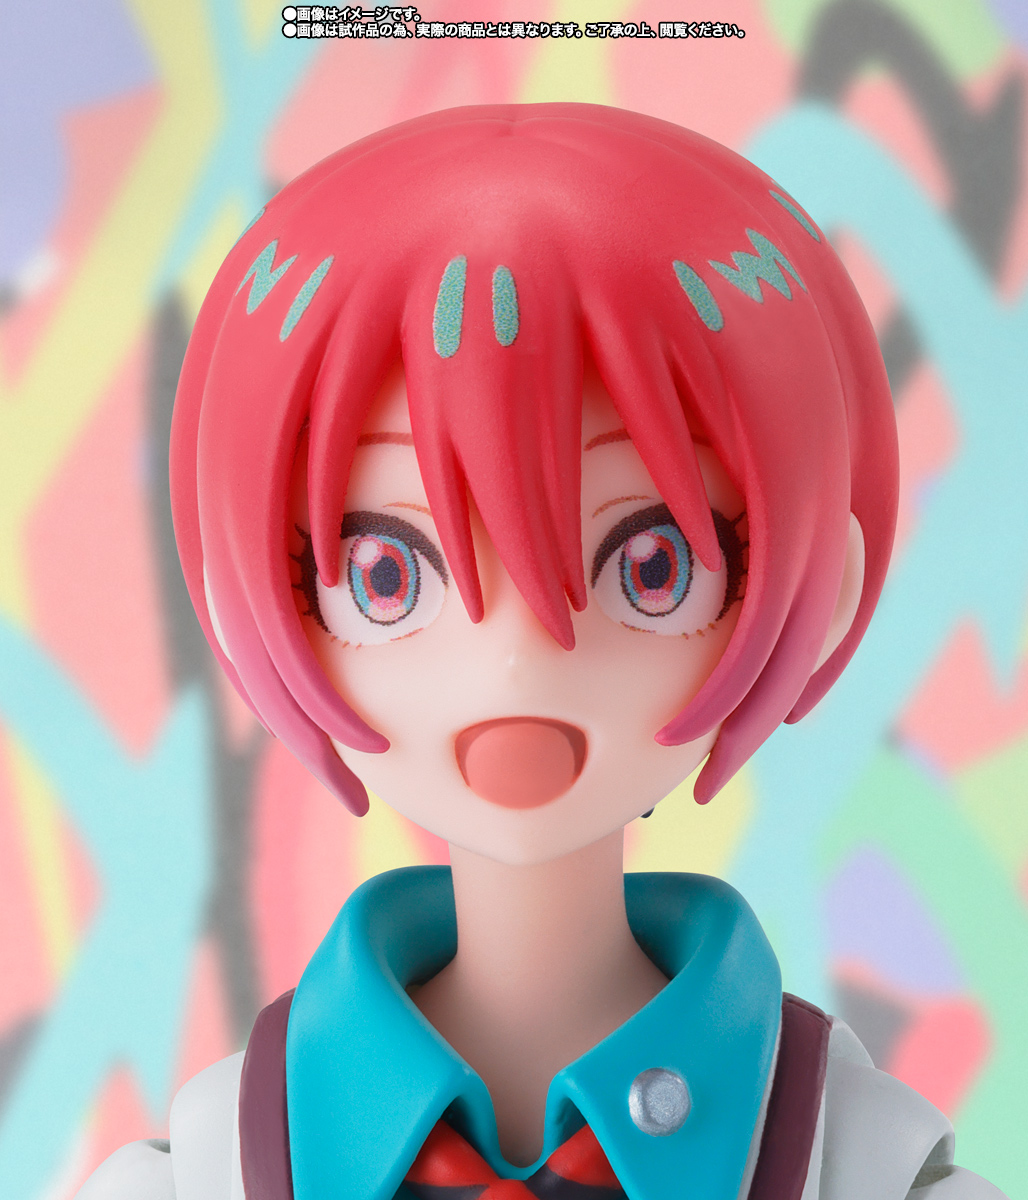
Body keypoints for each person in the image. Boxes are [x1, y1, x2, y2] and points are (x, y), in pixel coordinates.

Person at [77, 104, 1006, 1199]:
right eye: (387, 575)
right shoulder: (209, 1175)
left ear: (823, 587)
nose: (513, 663)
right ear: (241, 602)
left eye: (648, 565)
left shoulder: (858, 1169)